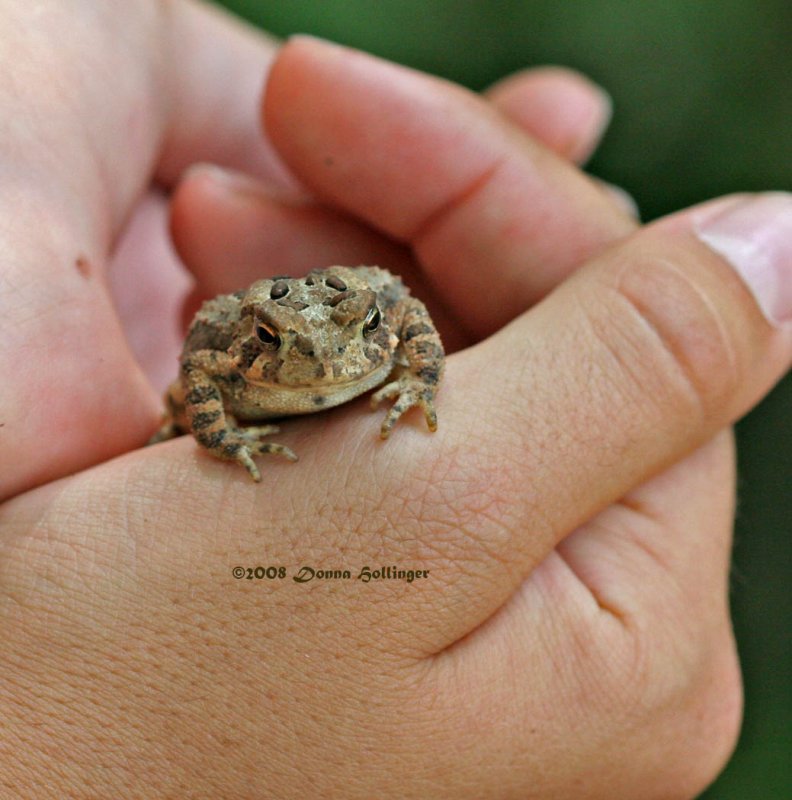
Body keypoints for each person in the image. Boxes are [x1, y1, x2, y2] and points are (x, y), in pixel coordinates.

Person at [0, 2, 789, 797]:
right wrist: (223, 439)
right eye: (286, 343)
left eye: (352, 337)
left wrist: (419, 378)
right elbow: (197, 377)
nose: (326, 358)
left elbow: (404, 310)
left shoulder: (378, 320)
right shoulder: (239, 353)